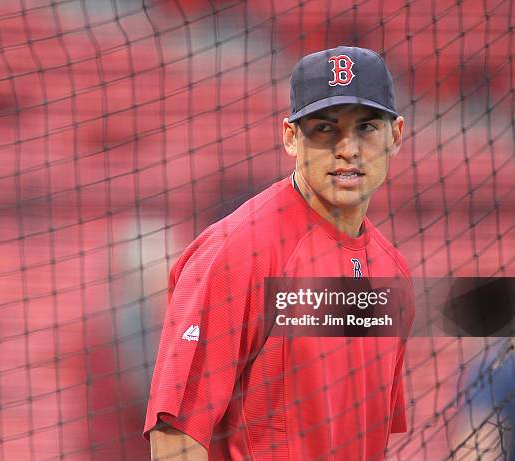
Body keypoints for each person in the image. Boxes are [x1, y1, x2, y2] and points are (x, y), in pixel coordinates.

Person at [144, 46, 414, 460]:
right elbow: (177, 435)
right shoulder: (237, 251)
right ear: (291, 137)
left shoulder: (392, 271)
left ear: (395, 135)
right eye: (325, 128)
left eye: (366, 128)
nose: (349, 149)